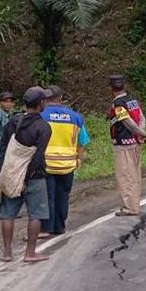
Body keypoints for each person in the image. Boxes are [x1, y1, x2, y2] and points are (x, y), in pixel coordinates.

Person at [0, 86, 52, 263]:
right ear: (41, 103)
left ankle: (7, 252)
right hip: (34, 177)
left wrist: (11, 171)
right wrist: (27, 176)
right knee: (35, 215)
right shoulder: (43, 127)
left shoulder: (13, 121)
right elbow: (38, 155)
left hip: (12, 174)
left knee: (8, 213)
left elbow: (4, 147)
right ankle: (30, 253)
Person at [40, 85, 89, 237]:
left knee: (47, 196)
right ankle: (59, 227)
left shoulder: (41, 116)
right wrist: (78, 158)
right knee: (63, 195)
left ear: (45, 99)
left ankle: (46, 228)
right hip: (68, 164)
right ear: (61, 98)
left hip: (46, 163)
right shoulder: (75, 117)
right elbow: (83, 141)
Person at [107, 75, 146, 216]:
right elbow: (141, 117)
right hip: (135, 143)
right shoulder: (132, 101)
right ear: (124, 85)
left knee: (125, 176)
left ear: (111, 88)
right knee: (135, 175)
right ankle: (134, 205)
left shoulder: (118, 104)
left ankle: (129, 208)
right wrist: (141, 134)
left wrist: (142, 133)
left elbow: (127, 121)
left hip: (123, 145)